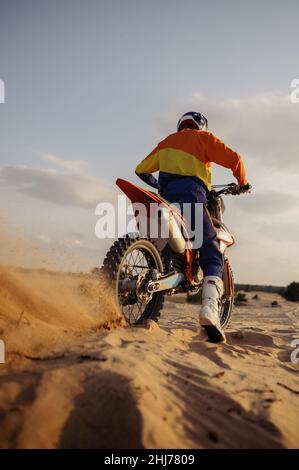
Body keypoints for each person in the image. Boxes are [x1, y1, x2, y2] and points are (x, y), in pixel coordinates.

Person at [135, 111, 248, 342]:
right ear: (201, 126)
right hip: (192, 196)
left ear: (180, 126)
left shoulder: (166, 142)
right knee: (212, 251)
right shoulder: (203, 138)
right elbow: (235, 159)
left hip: (166, 199)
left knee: (164, 245)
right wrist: (242, 183)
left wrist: (159, 185)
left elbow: (141, 170)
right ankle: (209, 310)